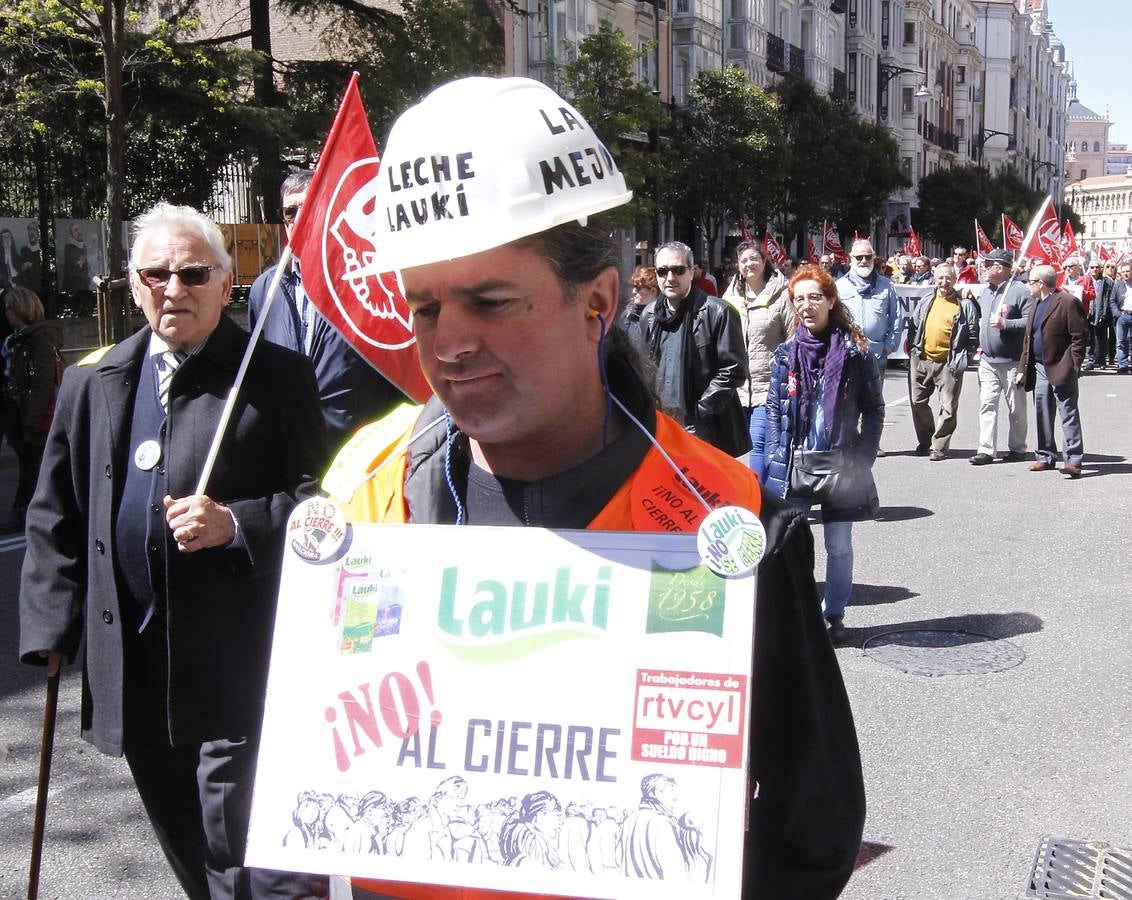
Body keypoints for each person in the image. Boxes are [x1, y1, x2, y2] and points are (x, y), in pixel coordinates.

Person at [328, 75, 864, 900]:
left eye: (491, 300)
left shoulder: (720, 519)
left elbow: (813, 823)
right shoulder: (363, 492)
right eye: (426, 306)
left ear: (599, 303)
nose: (452, 341)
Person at [18, 202, 329, 900]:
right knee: (183, 836)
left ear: (227, 282)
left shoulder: (275, 377)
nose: (174, 288)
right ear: (132, 285)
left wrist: (238, 521)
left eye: (193, 273)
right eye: (156, 273)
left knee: (235, 840)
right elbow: (54, 514)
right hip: (133, 660)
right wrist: (49, 628)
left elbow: (323, 505)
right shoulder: (90, 383)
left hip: (237, 658)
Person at [249, 170, 406, 462]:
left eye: (309, 207)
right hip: (290, 456)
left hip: (359, 455)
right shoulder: (265, 289)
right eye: (290, 212)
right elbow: (257, 368)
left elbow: (398, 370)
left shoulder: (367, 282)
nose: (299, 218)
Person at [763, 265, 884, 644]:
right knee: (792, 546)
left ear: (831, 300)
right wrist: (774, 455)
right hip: (796, 461)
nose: (807, 306)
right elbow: (773, 409)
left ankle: (833, 615)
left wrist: (863, 457)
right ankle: (800, 615)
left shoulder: (854, 351)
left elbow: (874, 408)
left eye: (815, 297)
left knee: (838, 545)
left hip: (840, 462)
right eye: (799, 299)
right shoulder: (786, 354)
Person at [636, 241, 751, 457]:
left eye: (678, 270)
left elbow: (734, 370)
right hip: (662, 426)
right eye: (662, 271)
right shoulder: (649, 315)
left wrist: (700, 410)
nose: (670, 278)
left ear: (691, 272)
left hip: (704, 427)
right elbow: (645, 368)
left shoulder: (718, 311)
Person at [721, 240, 791, 480]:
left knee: (759, 444)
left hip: (768, 387)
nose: (749, 264)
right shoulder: (728, 297)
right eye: (743, 260)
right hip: (737, 389)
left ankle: (758, 501)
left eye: (754, 258)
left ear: (764, 261)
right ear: (738, 266)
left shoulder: (782, 295)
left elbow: (794, 339)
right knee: (739, 448)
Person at [1, 286, 63, 532]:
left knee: (32, 467)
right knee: (30, 467)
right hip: (20, 412)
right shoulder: (19, 338)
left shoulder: (39, 337)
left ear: (20, 310)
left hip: (33, 416)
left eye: (8, 309)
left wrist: (34, 419)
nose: (6, 314)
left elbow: (43, 381)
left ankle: (24, 513)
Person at [1019, 264, 1088, 477]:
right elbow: (1028, 340)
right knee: (1042, 412)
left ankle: (1073, 460)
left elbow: (1080, 337)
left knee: (1068, 413)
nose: (1027, 285)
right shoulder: (1036, 304)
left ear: (1040, 283)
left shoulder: (1067, 302)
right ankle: (1045, 456)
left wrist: (1073, 365)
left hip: (1061, 367)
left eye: (1030, 281)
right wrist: (1023, 367)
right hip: (1039, 367)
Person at [907, 264, 979, 460]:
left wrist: (965, 357)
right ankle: (925, 440)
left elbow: (973, 334)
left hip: (949, 362)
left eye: (948, 278)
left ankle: (939, 446)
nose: (944, 282)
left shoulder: (964, 305)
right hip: (922, 359)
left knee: (948, 407)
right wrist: (914, 349)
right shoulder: (926, 300)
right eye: (940, 278)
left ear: (955, 280)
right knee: (917, 401)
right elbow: (914, 325)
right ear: (934, 279)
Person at [969, 249, 1032, 465]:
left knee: (1016, 407)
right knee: (987, 403)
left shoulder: (1020, 291)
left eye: (988, 265)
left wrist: (1007, 324)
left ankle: (1018, 447)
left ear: (1001, 267)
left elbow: (1030, 322)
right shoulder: (985, 292)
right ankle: (986, 449)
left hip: (1012, 361)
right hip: (988, 360)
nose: (984, 269)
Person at [836, 239, 899, 455]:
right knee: (848, 398)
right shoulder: (839, 286)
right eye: (859, 257)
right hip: (848, 353)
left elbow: (896, 318)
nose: (864, 261)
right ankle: (849, 440)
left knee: (874, 401)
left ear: (874, 258)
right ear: (850, 259)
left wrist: (891, 343)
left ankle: (872, 443)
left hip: (876, 353)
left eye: (868, 257)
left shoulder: (886, 286)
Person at [1083, 259, 1114, 370]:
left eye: (1097, 267)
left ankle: (1101, 360)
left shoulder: (1107, 281)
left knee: (1102, 337)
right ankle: (1091, 360)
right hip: (1089, 312)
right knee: (1090, 337)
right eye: (1092, 267)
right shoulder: (1085, 280)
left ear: (1101, 268)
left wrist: (1105, 312)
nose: (1094, 269)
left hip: (1102, 311)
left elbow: (1109, 298)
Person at [1109, 262, 1132, 374]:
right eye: (1123, 272)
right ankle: (1123, 365)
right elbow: (1112, 301)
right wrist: (1117, 314)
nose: (1125, 274)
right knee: (1121, 341)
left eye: (1128, 271)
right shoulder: (1118, 285)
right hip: (1123, 315)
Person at [620, 264, 658, 332]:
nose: (634, 291)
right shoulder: (627, 315)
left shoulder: (661, 318)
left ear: (653, 291)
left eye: (638, 288)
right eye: (634, 287)